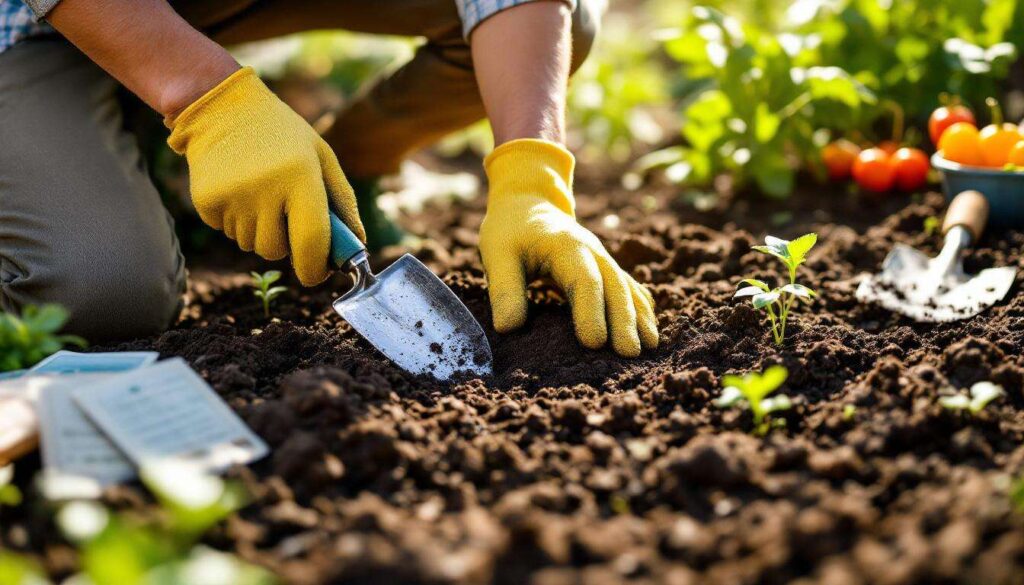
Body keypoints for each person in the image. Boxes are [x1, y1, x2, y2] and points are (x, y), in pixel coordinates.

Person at [0, 0, 658, 357]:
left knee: (566, 20)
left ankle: (350, 170)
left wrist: (532, 174)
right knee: (100, 289)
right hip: (37, 24)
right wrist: (206, 102)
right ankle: (139, 116)